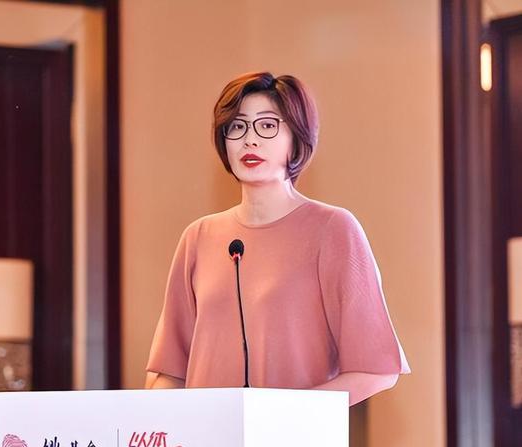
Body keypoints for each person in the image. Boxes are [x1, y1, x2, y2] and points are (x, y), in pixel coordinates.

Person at [144, 72, 410, 405]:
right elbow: (169, 374)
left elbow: (375, 370)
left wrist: (283, 418)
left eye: (267, 125)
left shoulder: (333, 229)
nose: (250, 140)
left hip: (291, 436)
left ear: (296, 138)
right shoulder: (198, 237)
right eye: (236, 127)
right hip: (205, 438)